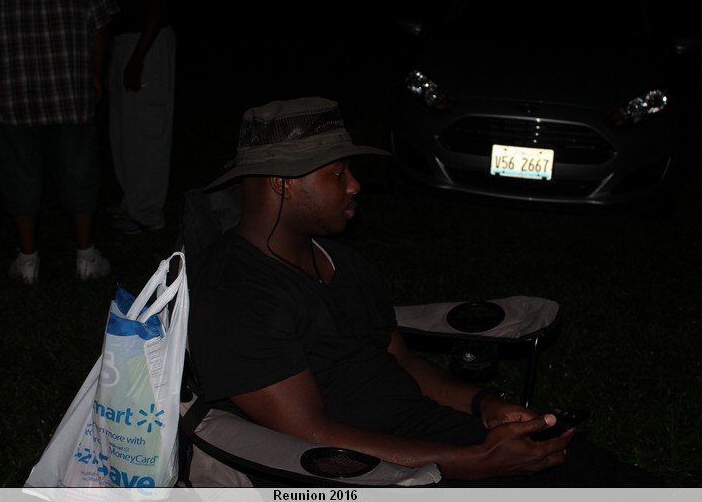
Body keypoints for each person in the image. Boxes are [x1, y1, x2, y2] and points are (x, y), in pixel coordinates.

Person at [187, 96, 660, 486]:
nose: (355, 186)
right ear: (284, 183)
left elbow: (404, 362)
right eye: (337, 174)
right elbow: (311, 435)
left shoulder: (342, 261)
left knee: (596, 472)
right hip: (363, 474)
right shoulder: (235, 291)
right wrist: (473, 463)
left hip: (430, 440)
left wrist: (485, 406)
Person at [0, 0, 118, 285]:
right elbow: (99, 23)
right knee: (79, 171)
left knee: (19, 175)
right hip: (69, 89)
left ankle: (28, 258)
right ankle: (86, 255)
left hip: (14, 90)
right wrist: (95, 72)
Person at [104, 0, 176, 235]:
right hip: (125, 42)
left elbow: (158, 2)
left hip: (147, 43)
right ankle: (133, 201)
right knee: (125, 131)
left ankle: (147, 213)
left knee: (147, 130)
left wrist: (138, 56)